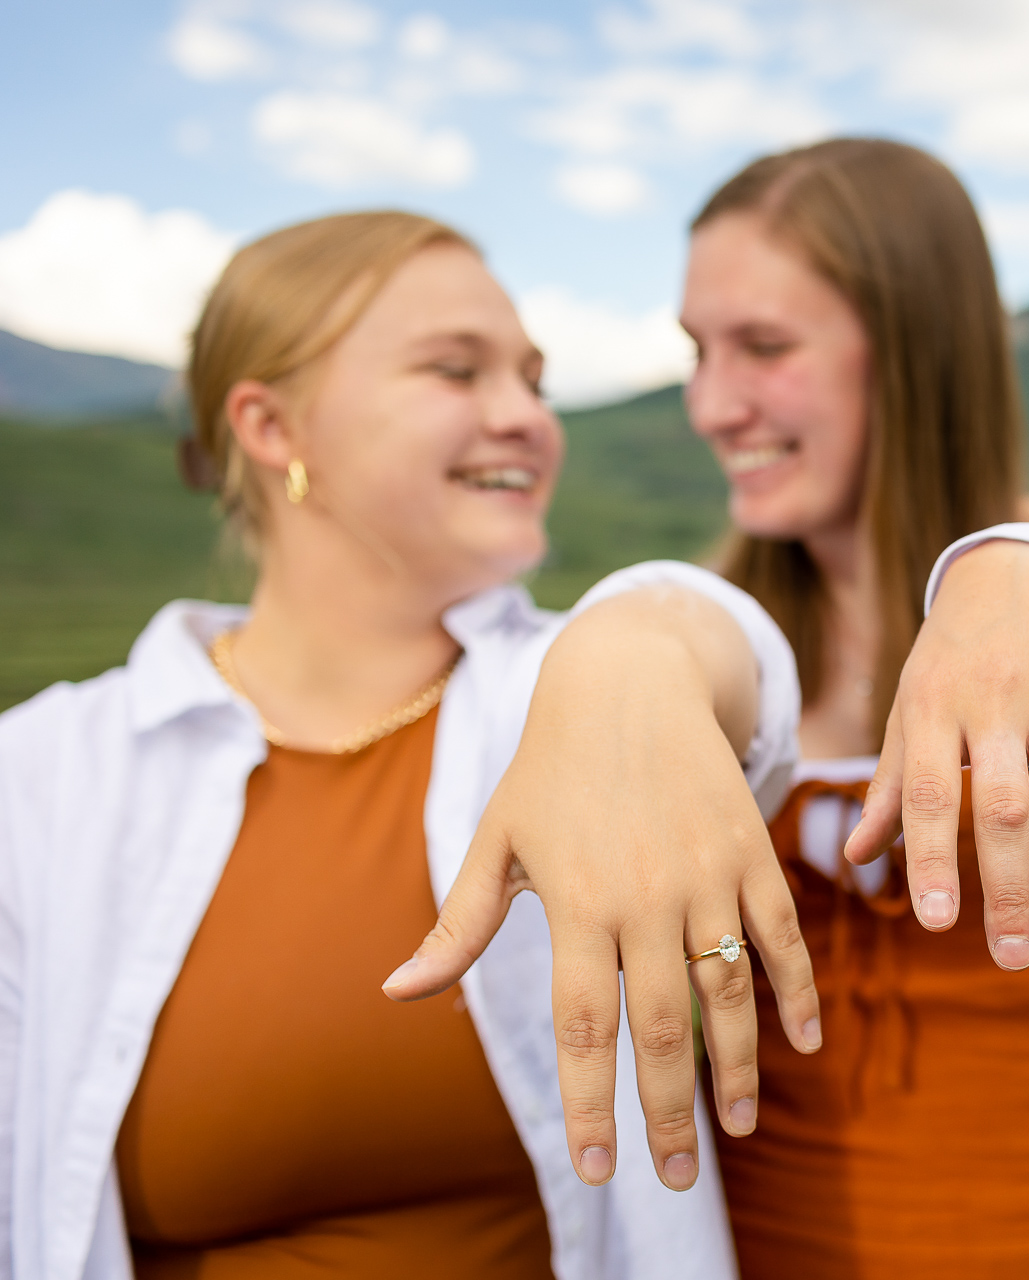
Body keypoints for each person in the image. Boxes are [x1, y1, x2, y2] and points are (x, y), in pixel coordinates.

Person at [0, 211, 821, 1279]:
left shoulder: (570, 696)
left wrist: (638, 643)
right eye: (456, 370)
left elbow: (735, 661)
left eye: (533, 379)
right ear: (271, 426)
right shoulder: (46, 774)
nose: (526, 417)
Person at [676, 139, 1029, 1276]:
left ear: (912, 349)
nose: (710, 403)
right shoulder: (715, 642)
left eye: (763, 346)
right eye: (696, 351)